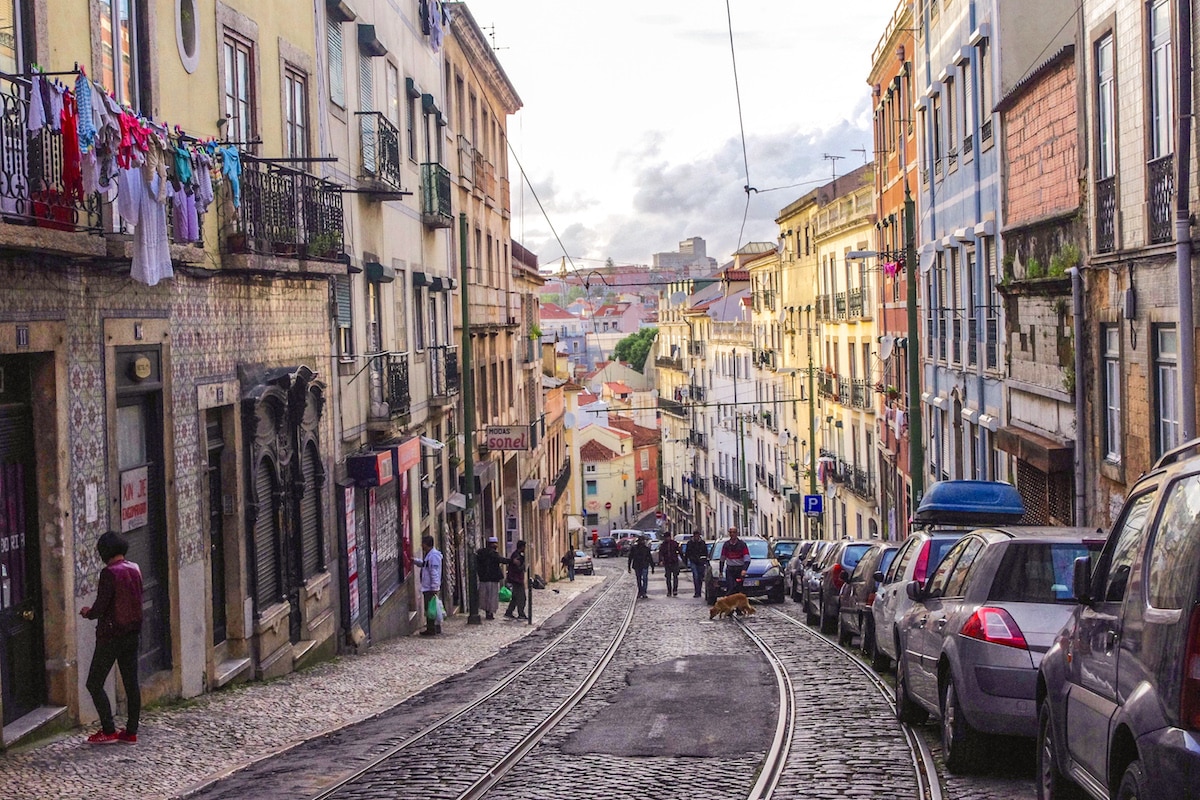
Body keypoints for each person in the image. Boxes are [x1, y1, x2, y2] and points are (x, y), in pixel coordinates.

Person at [81, 530, 143, 744]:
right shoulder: (135, 569)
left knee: (94, 682)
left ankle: (108, 729)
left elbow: (101, 605)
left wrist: (88, 613)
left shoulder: (109, 574)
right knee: (131, 683)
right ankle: (131, 731)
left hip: (111, 635)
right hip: (132, 633)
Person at [412, 535, 443, 636]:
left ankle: (431, 629)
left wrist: (434, 587)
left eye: (423, 543)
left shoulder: (433, 556)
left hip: (430, 587)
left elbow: (434, 572)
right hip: (428, 586)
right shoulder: (429, 555)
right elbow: (426, 565)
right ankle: (434, 627)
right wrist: (415, 561)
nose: (421, 545)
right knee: (432, 608)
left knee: (430, 609)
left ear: (426, 544)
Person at [476, 536, 509, 620]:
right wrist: (512, 561)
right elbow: (502, 560)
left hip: (483, 579)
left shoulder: (481, 553)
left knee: (485, 597)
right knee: (492, 597)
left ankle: (487, 611)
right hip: (492, 579)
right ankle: (490, 613)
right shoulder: (493, 554)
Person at [719, 526, 751, 597]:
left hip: (739, 569)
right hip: (730, 569)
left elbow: (747, 558)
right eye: (730, 532)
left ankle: (739, 606)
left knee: (739, 588)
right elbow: (722, 558)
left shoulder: (742, 544)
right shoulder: (726, 545)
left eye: (734, 532)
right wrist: (720, 570)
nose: (732, 534)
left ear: (737, 533)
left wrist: (744, 569)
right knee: (730, 587)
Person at [504, 540, 528, 620]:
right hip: (517, 579)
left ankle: (509, 612)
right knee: (522, 597)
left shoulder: (517, 554)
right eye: (524, 547)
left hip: (516, 579)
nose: (525, 548)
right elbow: (517, 568)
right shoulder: (517, 556)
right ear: (521, 547)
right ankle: (521, 613)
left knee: (515, 597)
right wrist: (524, 566)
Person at [684, 529, 709, 598]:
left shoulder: (702, 543)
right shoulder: (690, 543)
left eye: (697, 536)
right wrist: (686, 562)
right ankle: (696, 592)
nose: (696, 537)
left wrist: (704, 559)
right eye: (695, 536)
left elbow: (705, 552)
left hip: (701, 562)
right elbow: (687, 553)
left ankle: (699, 591)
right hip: (693, 561)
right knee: (695, 576)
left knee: (700, 577)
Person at [627, 534, 653, 599]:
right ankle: (641, 591)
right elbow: (630, 557)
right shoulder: (634, 548)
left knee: (644, 579)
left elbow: (650, 558)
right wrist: (629, 567)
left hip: (644, 565)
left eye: (642, 541)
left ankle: (643, 592)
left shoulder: (646, 549)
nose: (641, 542)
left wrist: (652, 567)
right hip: (637, 566)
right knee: (639, 579)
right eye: (640, 541)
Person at [658, 530, 683, 596]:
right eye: (665, 537)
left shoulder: (674, 543)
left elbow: (680, 552)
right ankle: (669, 591)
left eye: (667, 537)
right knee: (668, 577)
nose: (667, 539)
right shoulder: (663, 545)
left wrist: (683, 559)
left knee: (675, 576)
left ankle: (675, 590)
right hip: (667, 562)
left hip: (674, 562)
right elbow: (660, 553)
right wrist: (660, 560)